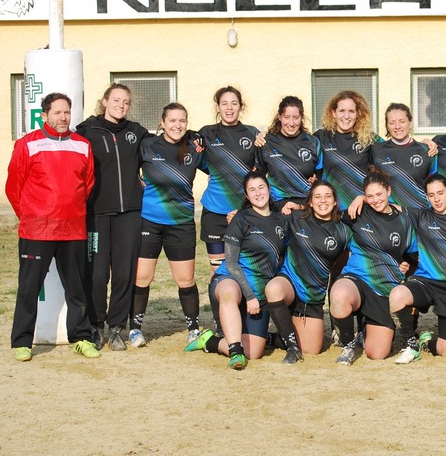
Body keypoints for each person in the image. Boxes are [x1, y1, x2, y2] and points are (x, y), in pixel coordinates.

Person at [7, 92, 99, 362]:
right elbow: (14, 187)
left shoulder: (82, 145)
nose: (63, 117)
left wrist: (71, 212)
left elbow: (87, 185)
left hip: (72, 230)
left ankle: (81, 337)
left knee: (77, 288)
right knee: (28, 288)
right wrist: (32, 215)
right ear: (44, 115)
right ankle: (22, 341)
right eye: (57, 113)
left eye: (67, 112)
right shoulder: (27, 145)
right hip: (37, 230)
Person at [186, 171, 287, 369]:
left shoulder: (281, 221)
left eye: (261, 187)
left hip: (259, 293)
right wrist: (249, 296)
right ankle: (235, 351)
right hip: (230, 281)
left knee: (255, 353)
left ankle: (209, 341)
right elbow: (231, 264)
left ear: (269, 189)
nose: (258, 193)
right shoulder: (240, 219)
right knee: (230, 292)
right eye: (252, 190)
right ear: (247, 196)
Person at [76, 83, 149, 351]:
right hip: (96, 214)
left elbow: (164, 146)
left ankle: (117, 327)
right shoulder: (86, 132)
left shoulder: (137, 133)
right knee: (96, 274)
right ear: (105, 101)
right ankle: (95, 326)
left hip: (129, 214)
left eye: (126, 102)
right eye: (116, 100)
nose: (121, 105)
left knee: (123, 274)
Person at [128, 103, 204, 348]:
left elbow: (220, 169)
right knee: (142, 277)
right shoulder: (147, 145)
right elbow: (125, 170)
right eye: (172, 120)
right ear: (162, 122)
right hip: (149, 220)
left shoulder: (195, 146)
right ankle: (135, 328)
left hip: (181, 223)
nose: (177, 125)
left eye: (182, 120)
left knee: (185, 280)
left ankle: (193, 328)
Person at [388, 174, 446, 363]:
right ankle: (410, 343)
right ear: (427, 197)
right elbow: (385, 206)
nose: (436, 199)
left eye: (440, 193)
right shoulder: (421, 216)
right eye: (431, 195)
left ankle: (424, 343)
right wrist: (360, 198)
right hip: (426, 282)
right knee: (397, 296)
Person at [330, 169, 416, 364]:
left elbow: (413, 256)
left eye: (379, 194)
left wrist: (406, 266)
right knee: (339, 295)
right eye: (370, 196)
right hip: (357, 279)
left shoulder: (403, 220)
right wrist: (360, 199)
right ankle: (348, 344)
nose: (376, 200)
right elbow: (326, 213)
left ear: (389, 191)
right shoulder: (357, 212)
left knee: (377, 353)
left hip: (384, 287)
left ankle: (364, 328)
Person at [263, 180, 350, 364]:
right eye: (317, 197)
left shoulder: (343, 230)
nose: (323, 200)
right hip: (290, 283)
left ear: (335, 202)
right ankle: (292, 348)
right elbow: (266, 220)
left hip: (312, 295)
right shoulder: (295, 218)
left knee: (312, 349)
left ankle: (269, 338)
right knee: (273, 288)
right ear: (310, 202)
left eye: (328, 196)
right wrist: (240, 216)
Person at [197, 86, 259, 270]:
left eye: (234, 103)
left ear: (241, 106)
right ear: (218, 107)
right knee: (218, 271)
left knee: (244, 269)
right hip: (215, 212)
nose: (229, 108)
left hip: (245, 212)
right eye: (224, 103)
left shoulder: (253, 133)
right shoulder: (206, 133)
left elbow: (262, 168)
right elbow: (192, 160)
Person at [315, 89, 379, 210]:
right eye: (342, 111)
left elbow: (394, 148)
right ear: (333, 113)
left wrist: (425, 143)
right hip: (330, 211)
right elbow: (295, 144)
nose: (346, 116)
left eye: (351, 111)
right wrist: (267, 137)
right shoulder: (321, 137)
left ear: (358, 114)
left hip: (361, 210)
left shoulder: (369, 138)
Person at [368, 103, 434, 211]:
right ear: (387, 125)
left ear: (410, 122)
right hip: (388, 217)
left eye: (402, 121)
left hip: (420, 215)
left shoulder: (426, 150)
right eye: (392, 123)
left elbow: (435, 186)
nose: (397, 126)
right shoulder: (376, 150)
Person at [258, 96, 323, 208]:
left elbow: (321, 176)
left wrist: (316, 181)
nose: (291, 123)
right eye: (286, 117)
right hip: (276, 206)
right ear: (279, 117)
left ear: (301, 117)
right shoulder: (266, 143)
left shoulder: (313, 143)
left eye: (296, 117)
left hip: (305, 206)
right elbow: (258, 177)